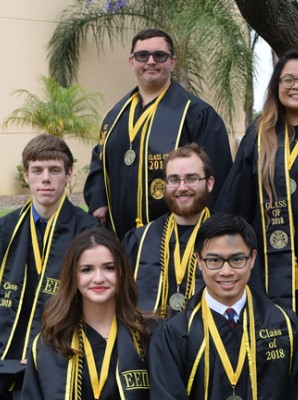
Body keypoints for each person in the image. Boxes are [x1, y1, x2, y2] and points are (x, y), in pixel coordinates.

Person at [215, 49, 298, 324]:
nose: (296, 86)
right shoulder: (259, 136)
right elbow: (236, 200)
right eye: (288, 80)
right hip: (269, 264)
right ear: (276, 87)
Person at [84, 28, 232, 239]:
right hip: (120, 238)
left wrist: (212, 234)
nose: (150, 61)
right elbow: (100, 160)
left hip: (180, 241)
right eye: (142, 55)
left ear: (172, 62)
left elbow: (219, 179)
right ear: (131, 62)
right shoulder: (114, 117)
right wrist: (98, 201)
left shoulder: (196, 114)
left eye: (159, 55)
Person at [148, 213, 298, 399]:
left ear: (253, 258)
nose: (226, 271)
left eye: (237, 259)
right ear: (199, 261)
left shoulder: (284, 327)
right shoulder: (175, 334)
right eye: (214, 261)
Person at [0, 134, 98, 397]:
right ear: (26, 175)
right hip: (4, 353)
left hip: (60, 355)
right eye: (37, 170)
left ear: (68, 175)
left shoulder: (88, 232)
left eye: (54, 170)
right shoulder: (5, 229)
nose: (45, 178)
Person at [22, 228, 150, 399]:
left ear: (122, 272)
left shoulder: (148, 335)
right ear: (73, 276)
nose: (98, 278)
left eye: (109, 268)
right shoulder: (50, 343)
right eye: (87, 270)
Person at [123, 143, 222, 318]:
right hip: (151, 341)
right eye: (174, 180)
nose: (182, 188)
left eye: (191, 178)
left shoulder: (229, 238)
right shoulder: (140, 239)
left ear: (209, 183)